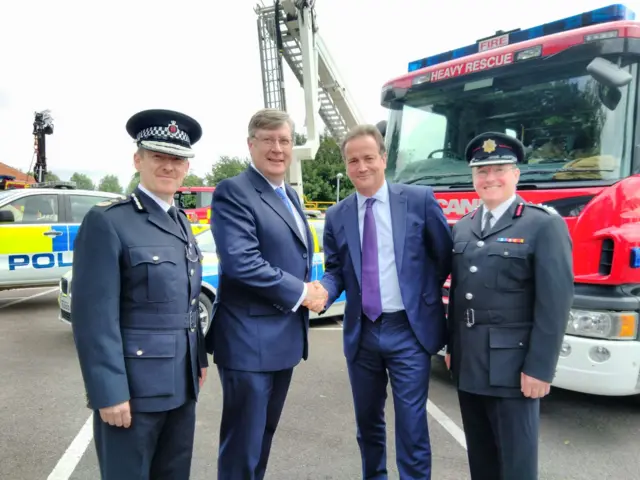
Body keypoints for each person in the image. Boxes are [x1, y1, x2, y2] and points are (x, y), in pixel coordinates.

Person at [71, 109, 209, 480]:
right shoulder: (109, 221)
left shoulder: (179, 220)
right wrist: (108, 391)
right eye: (158, 156)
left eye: (177, 159)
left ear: (186, 167)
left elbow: (187, 301)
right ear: (138, 159)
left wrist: (198, 362)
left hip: (180, 385)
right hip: (134, 390)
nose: (169, 166)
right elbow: (94, 318)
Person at [318, 124, 453, 479]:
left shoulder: (419, 200)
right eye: (352, 161)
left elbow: (442, 256)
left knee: (411, 425)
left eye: (367, 158)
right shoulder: (337, 215)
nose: (361, 167)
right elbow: (336, 270)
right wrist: (323, 291)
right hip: (362, 334)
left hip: (408, 331)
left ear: (382, 158)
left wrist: (419, 297)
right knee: (368, 424)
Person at [445, 132, 574, 480]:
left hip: (515, 368)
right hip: (470, 362)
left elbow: (555, 303)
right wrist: (451, 347)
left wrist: (541, 368)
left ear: (515, 174)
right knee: (481, 460)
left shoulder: (543, 224)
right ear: (473, 178)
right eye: (481, 172)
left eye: (498, 169)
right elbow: (459, 293)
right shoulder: (465, 227)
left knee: (516, 464)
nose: (490, 179)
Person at [206, 108, 327, 480]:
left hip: (280, 341)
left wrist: (314, 288)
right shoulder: (235, 191)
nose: (278, 148)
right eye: (269, 140)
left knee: (262, 439)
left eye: (285, 140)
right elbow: (242, 262)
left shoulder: (287, 192)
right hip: (248, 343)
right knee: (243, 446)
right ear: (251, 144)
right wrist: (302, 291)